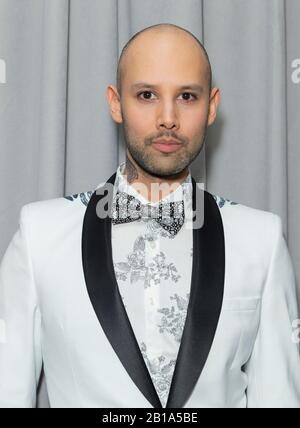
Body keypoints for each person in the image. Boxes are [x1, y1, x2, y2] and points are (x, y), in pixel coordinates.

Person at [0, 23, 300, 408]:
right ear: (115, 103)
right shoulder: (40, 234)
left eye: (187, 96)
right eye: (146, 95)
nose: (168, 118)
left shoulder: (262, 240)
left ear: (211, 106)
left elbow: (278, 399)